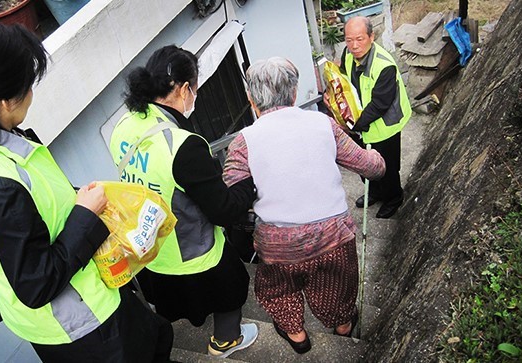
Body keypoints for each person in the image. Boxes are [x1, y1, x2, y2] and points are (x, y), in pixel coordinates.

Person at [0, 23, 173, 362]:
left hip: (83, 299)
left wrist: (78, 202)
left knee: (156, 335)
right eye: (28, 85)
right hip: (80, 325)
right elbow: (36, 284)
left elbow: (34, 216)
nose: (32, 94)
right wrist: (84, 214)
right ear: (6, 100)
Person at [223, 57, 385, 353]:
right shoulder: (324, 125)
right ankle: (343, 327)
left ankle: (297, 336)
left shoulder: (242, 143)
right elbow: (371, 167)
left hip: (278, 244)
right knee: (338, 286)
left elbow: (231, 195)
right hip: (333, 236)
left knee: (278, 290)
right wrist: (378, 159)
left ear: (251, 99)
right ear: (295, 93)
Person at [109, 45, 258, 359]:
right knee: (232, 288)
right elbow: (224, 210)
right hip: (194, 256)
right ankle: (224, 342)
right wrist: (249, 184)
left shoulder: (122, 127)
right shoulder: (184, 146)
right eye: (196, 87)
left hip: (149, 254)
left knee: (168, 306)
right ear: (184, 88)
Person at [338, 16, 412, 218]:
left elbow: (380, 104)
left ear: (371, 37)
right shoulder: (347, 54)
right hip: (359, 123)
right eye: (349, 39)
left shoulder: (384, 65)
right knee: (364, 164)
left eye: (360, 39)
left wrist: (354, 124)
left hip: (384, 126)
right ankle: (375, 193)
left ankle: (393, 198)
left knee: (387, 168)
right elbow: (344, 81)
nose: (354, 45)